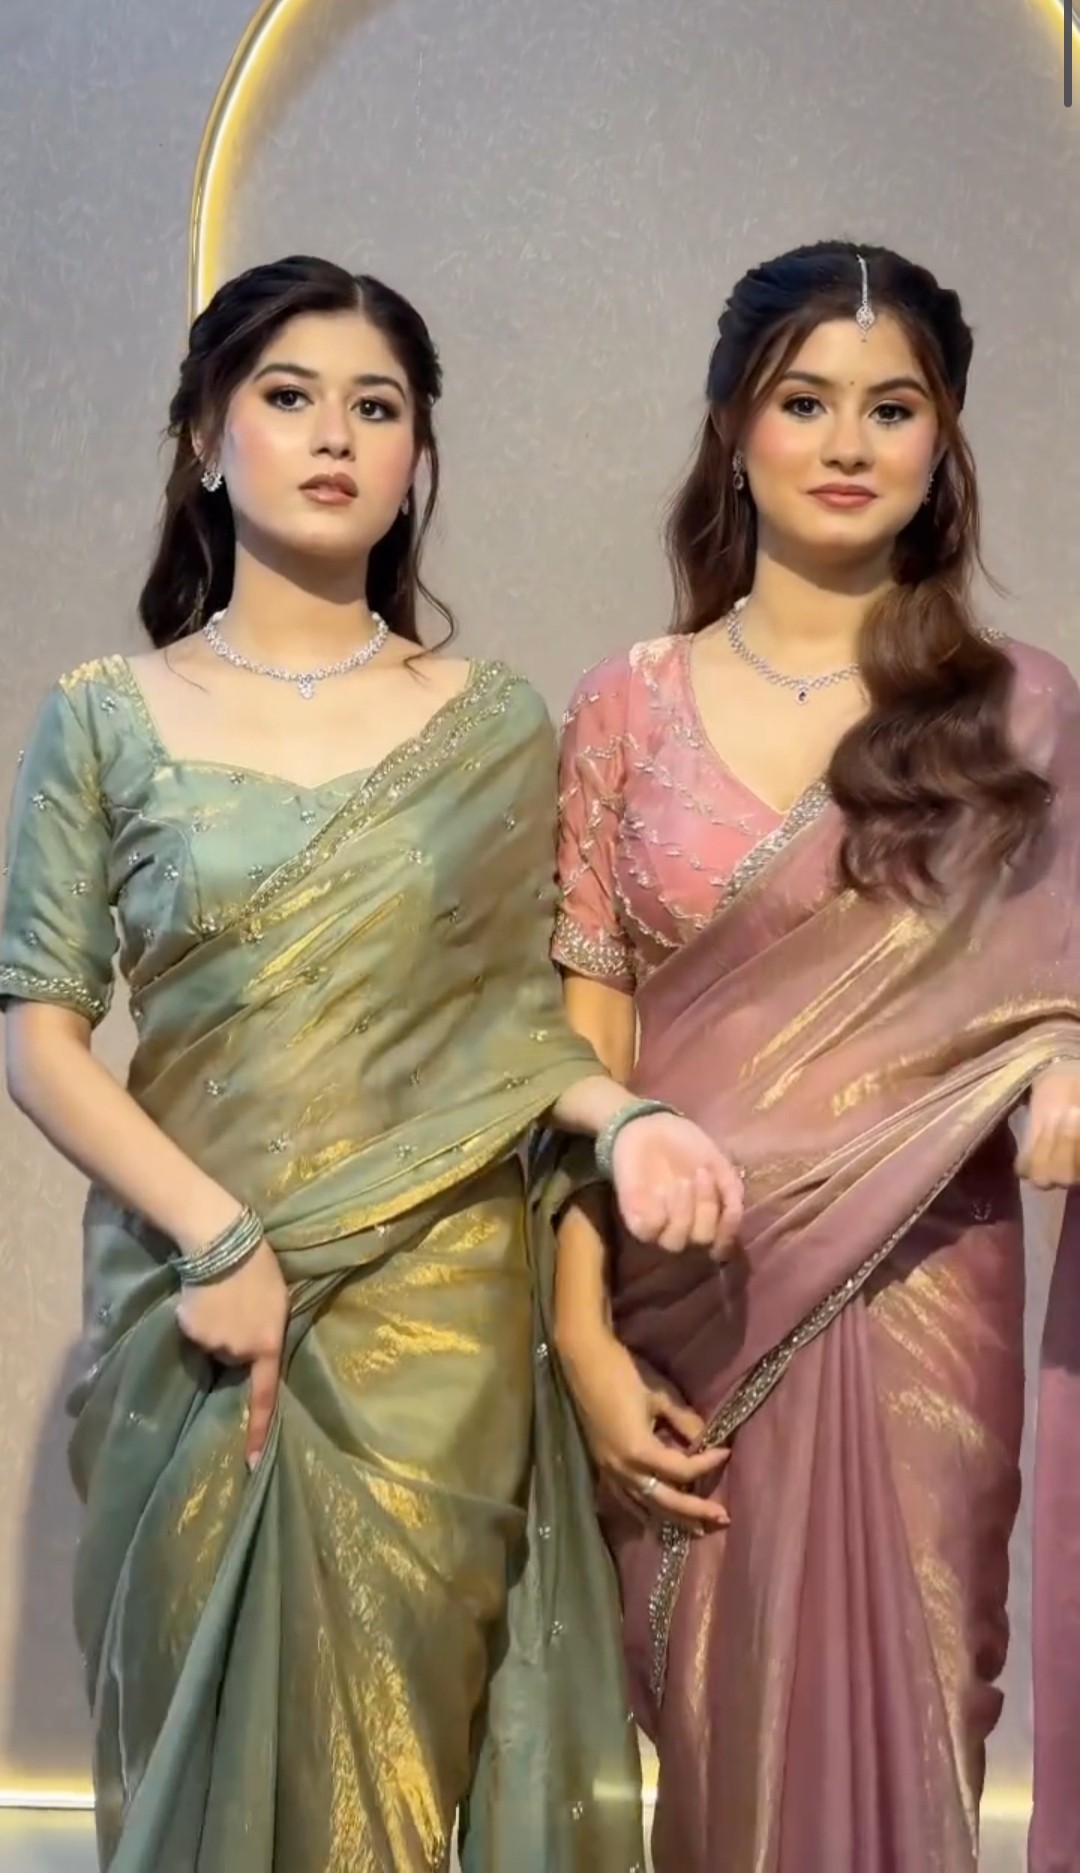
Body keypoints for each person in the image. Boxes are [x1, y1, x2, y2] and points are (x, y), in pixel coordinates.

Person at [0, 255, 744, 1873]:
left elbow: (513, 1030)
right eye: (289, 396)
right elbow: (41, 1038)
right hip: (196, 1324)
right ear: (205, 438)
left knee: (399, 1784)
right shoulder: (105, 717)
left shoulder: (489, 723)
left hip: (432, 1331)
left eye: (377, 406)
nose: (334, 433)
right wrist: (215, 1235)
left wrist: (628, 1119)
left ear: (419, 460)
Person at [549, 240, 1080, 1873]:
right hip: (681, 1314)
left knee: (913, 1709)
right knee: (717, 1751)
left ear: (944, 442)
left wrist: (1062, 1057)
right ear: (734, 427)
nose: (850, 442)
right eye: (805, 401)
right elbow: (580, 1047)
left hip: (923, 1299)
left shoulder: (1018, 713)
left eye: (894, 407)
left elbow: (1050, 988)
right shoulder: (627, 705)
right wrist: (578, 1339)